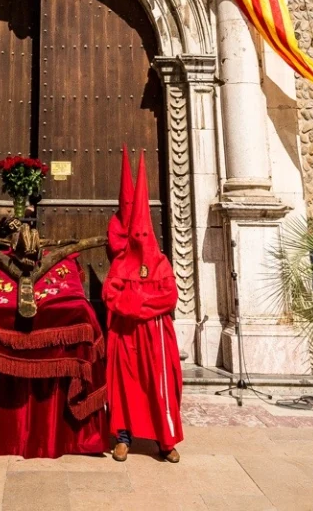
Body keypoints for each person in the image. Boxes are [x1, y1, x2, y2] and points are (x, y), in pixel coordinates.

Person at [103, 151, 183, 464]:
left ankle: (166, 441)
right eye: (134, 233)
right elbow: (112, 295)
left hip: (155, 337)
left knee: (160, 386)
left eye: (143, 233)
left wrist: (136, 302)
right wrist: (143, 302)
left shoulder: (161, 262)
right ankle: (122, 437)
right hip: (126, 336)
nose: (138, 237)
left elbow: (169, 297)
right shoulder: (121, 263)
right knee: (125, 385)